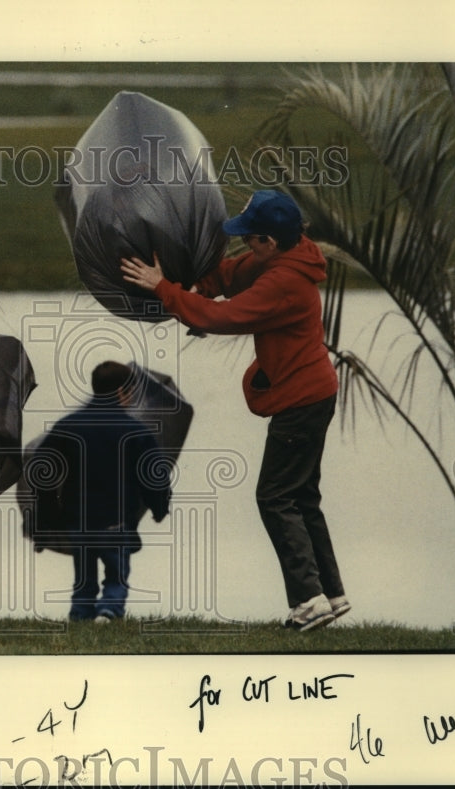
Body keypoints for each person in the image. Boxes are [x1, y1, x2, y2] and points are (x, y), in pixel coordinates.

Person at [121, 189, 349, 631]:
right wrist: (193, 286)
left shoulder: (284, 281)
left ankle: (309, 600)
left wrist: (163, 289)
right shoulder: (288, 255)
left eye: (250, 239)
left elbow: (223, 318)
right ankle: (331, 594)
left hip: (301, 401)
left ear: (269, 240)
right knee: (302, 496)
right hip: (313, 393)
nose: (245, 245)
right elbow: (229, 277)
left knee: (275, 497)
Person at [34, 361, 171, 623]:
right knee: (116, 575)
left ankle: (81, 614)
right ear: (122, 392)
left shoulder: (68, 426)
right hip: (116, 521)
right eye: (130, 392)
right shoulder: (136, 432)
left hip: (79, 519)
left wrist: (47, 515)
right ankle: (109, 610)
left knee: (84, 578)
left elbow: (41, 470)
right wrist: (160, 507)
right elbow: (155, 478)